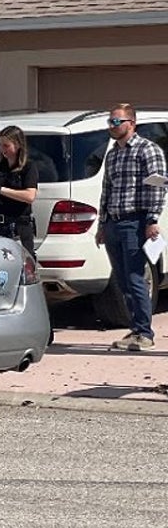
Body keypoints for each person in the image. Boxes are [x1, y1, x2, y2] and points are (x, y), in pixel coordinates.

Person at [96, 103, 167, 351]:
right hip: (113, 222)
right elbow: (107, 189)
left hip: (135, 222)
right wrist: (102, 224)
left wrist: (151, 220)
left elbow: (156, 187)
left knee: (136, 278)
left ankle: (145, 333)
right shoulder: (113, 154)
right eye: (110, 122)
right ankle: (135, 329)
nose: (112, 126)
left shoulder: (148, 150)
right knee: (123, 280)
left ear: (131, 123)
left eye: (116, 122)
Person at [0, 125, 39, 257]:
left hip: (18, 226)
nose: (2, 149)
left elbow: (29, 196)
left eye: (6, 145)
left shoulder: (28, 167)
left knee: (21, 265)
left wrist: (0, 189)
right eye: (0, 145)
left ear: (17, 145)